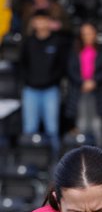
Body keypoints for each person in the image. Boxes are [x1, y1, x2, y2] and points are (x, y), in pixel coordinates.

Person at [18, 12, 67, 153]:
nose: (41, 24)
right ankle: (28, 160)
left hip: (50, 90)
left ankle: (54, 162)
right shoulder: (28, 42)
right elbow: (23, 64)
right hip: (30, 90)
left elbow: (61, 66)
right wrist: (28, 80)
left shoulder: (57, 42)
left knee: (52, 128)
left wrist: (51, 80)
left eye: (43, 20)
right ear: (33, 23)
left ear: (49, 22)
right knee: (29, 128)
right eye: (37, 21)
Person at [65, 22, 102, 139]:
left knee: (97, 123)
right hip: (79, 90)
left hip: (97, 90)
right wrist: (82, 82)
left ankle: (99, 153)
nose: (87, 36)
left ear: (95, 34)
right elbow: (71, 70)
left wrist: (94, 81)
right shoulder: (74, 51)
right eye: (84, 34)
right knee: (82, 122)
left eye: (90, 33)